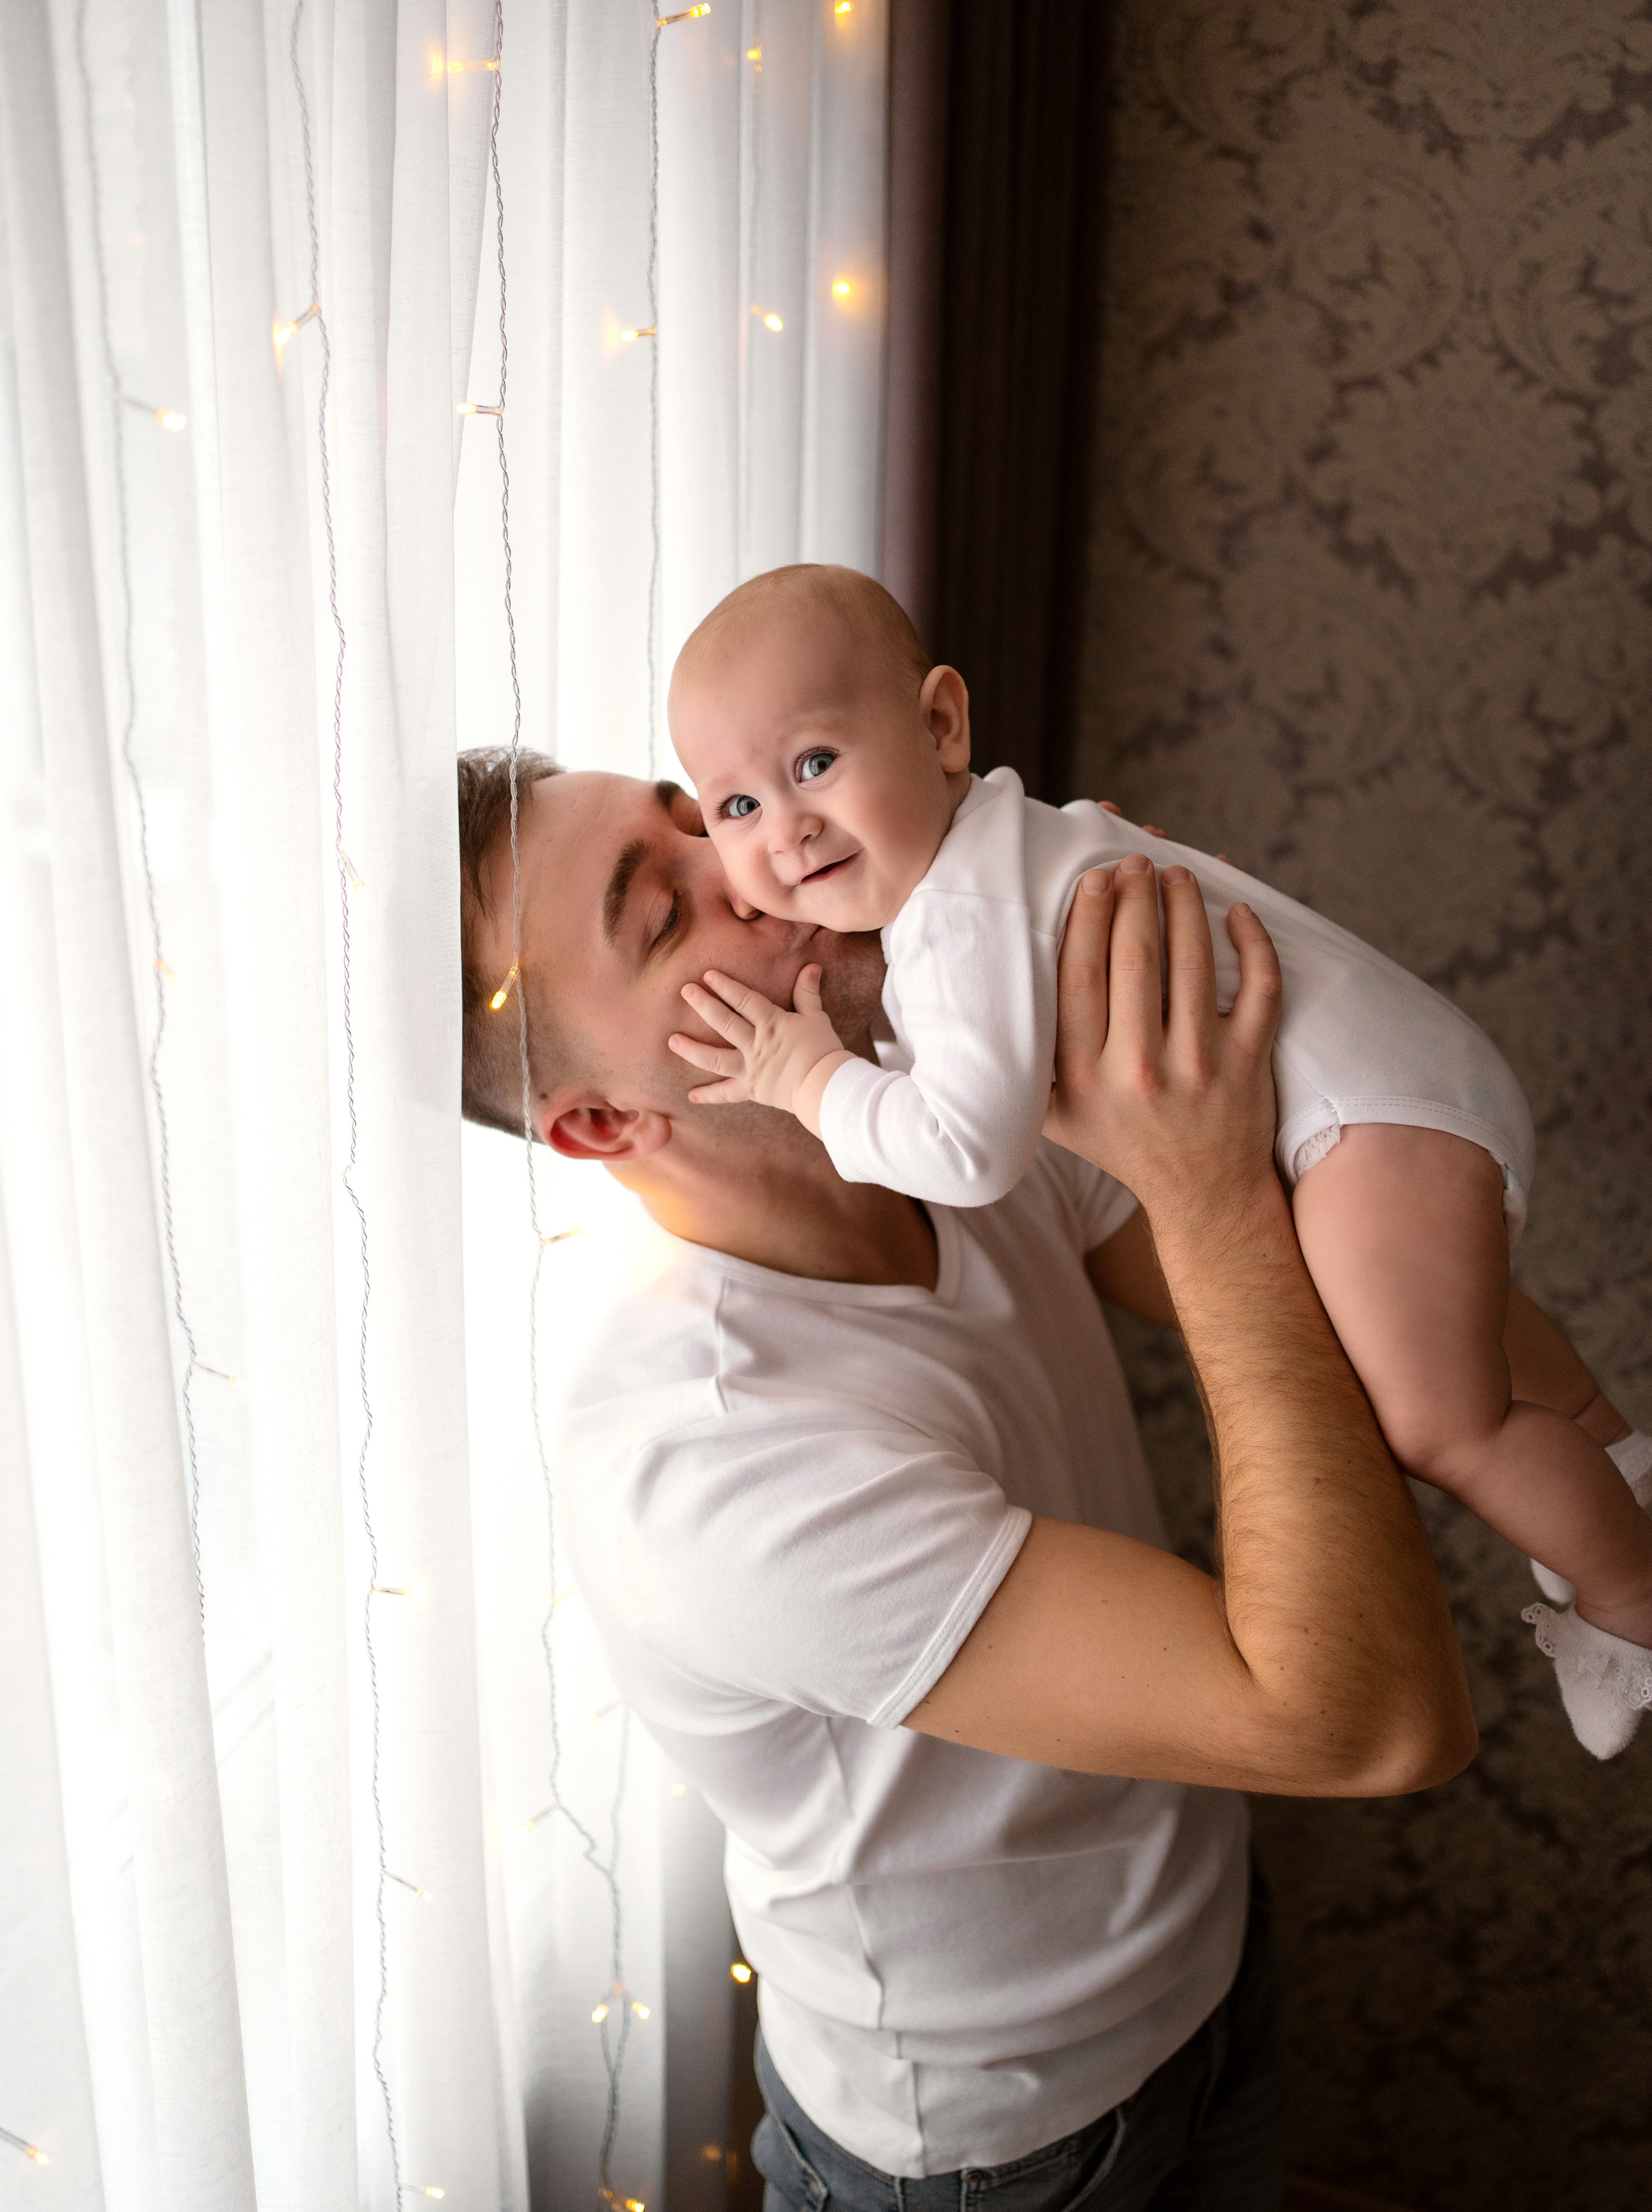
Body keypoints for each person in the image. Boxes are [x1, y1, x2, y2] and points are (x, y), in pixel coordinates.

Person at [458, 743, 1477, 2209]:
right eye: (665, 911)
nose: (755, 863)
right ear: (604, 1124)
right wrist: (1196, 1183)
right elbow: (1370, 1722)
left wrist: (1164, 1000)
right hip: (999, 2145)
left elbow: (1321, 1312)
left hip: (1208, 1962)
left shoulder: (925, 1104)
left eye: (696, 816)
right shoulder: (710, 1461)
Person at [663, 565, 1652, 1759]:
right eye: (735, 810)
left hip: (1373, 1121)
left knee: (1438, 1422)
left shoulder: (959, 920)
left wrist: (806, 1079)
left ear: (939, 725)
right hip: (1406, 1087)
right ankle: (1616, 1458)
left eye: (814, 765)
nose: (787, 831)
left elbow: (966, 1151)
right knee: (1459, 1334)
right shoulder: (997, 846)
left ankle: (1630, 1606)